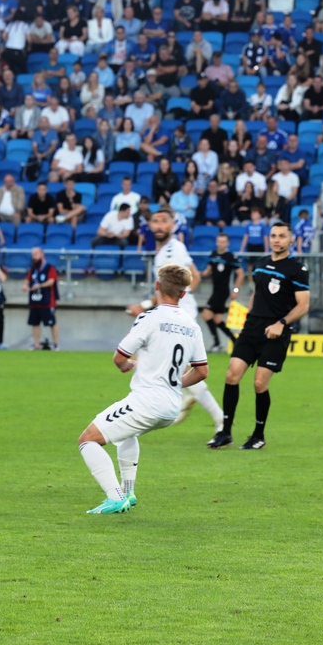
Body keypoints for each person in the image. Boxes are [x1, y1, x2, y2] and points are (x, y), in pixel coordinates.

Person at [78, 263, 209, 514]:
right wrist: (173, 383)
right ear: (184, 293)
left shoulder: (150, 318)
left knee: (88, 440)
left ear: (157, 286)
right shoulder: (192, 326)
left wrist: (126, 365)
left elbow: (120, 357)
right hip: (171, 406)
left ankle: (115, 497)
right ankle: (128, 492)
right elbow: (202, 371)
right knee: (127, 433)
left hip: (147, 401)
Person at [209, 221, 310, 450]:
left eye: (282, 236)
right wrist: (248, 317)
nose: (277, 240)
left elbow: (303, 305)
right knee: (232, 375)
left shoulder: (297, 269)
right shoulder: (261, 264)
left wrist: (281, 324)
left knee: (259, 382)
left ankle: (258, 435)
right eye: (273, 235)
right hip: (252, 328)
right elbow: (257, 292)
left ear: (291, 240)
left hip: (276, 332)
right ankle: (225, 432)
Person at [126, 208, 225, 433]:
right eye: (155, 221)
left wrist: (146, 305)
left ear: (173, 225)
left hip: (177, 315)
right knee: (177, 367)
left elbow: (170, 286)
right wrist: (181, 299)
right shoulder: (170, 250)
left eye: (164, 221)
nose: (159, 225)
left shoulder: (172, 250)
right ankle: (213, 414)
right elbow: (195, 277)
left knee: (150, 359)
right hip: (178, 312)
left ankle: (195, 407)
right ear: (149, 226)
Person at [201, 232, 243, 352]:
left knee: (206, 314)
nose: (221, 244)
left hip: (223, 291)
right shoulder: (213, 254)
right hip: (215, 290)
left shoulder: (230, 256)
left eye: (223, 242)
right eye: (219, 241)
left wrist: (235, 290)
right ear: (216, 242)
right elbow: (209, 270)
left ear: (227, 243)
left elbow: (240, 274)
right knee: (217, 319)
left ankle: (217, 343)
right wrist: (200, 274)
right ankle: (235, 341)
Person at [24, 247, 61, 350]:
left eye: (35, 255)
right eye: (32, 255)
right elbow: (27, 279)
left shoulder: (50, 268)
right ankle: (36, 344)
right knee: (35, 323)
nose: (33, 257)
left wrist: (39, 286)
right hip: (35, 301)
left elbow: (51, 281)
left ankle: (56, 344)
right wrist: (25, 285)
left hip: (47, 302)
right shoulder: (33, 269)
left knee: (52, 323)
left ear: (42, 255)